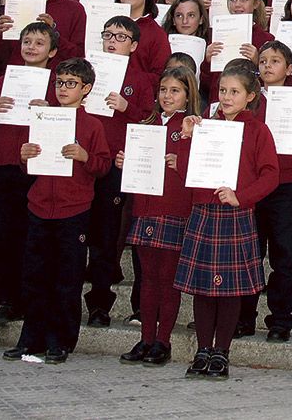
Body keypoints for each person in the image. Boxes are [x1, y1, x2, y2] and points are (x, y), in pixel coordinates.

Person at [4, 58, 111, 364]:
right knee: (35, 276)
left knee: (67, 278)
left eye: (71, 83)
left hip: (73, 209)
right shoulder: (42, 118)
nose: (64, 89)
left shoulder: (92, 125)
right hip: (39, 206)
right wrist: (24, 156)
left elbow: (103, 166)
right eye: (60, 83)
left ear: (86, 89)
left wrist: (85, 155)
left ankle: (60, 340)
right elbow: (29, 160)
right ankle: (30, 338)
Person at [177, 61, 279, 380]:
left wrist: (242, 196)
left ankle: (222, 351)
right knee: (204, 289)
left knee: (231, 289)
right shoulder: (204, 125)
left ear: (250, 96)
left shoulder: (258, 130)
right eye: (222, 90)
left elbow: (270, 174)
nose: (226, 97)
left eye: (234, 91)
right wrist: (186, 136)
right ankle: (202, 349)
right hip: (204, 212)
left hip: (236, 215)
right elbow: (184, 171)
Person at [0, 22, 59, 326]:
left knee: (26, 235)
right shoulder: (4, 80)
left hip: (34, 166)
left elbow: (63, 126)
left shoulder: (55, 84)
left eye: (39, 42)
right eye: (27, 41)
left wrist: (48, 110)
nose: (32, 47)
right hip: (3, 163)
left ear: (52, 51)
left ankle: (16, 299)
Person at [116, 66, 199, 367]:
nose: (167, 95)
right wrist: (123, 159)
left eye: (175, 90)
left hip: (174, 208)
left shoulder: (192, 127)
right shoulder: (145, 123)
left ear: (188, 95)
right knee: (147, 278)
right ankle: (146, 337)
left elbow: (200, 169)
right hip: (145, 207)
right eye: (163, 90)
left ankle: (163, 341)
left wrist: (182, 160)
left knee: (168, 278)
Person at [83, 17, 154, 328]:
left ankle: (100, 303)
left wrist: (127, 107)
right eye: (108, 34)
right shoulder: (85, 72)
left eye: (121, 37)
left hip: (115, 165)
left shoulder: (138, 80)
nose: (113, 41)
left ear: (134, 45)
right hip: (82, 162)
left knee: (107, 237)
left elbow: (150, 119)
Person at [235, 42, 292, 341]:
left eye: (275, 61)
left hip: (286, 185)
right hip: (251, 188)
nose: (267, 66)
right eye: (262, 60)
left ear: (289, 69)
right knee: (250, 254)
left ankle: (280, 318)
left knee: (285, 255)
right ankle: (243, 317)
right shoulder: (247, 102)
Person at [116, 0, 173, 88]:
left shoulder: (156, 34)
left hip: (135, 98)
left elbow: (159, 77)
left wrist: (130, 76)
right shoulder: (105, 23)